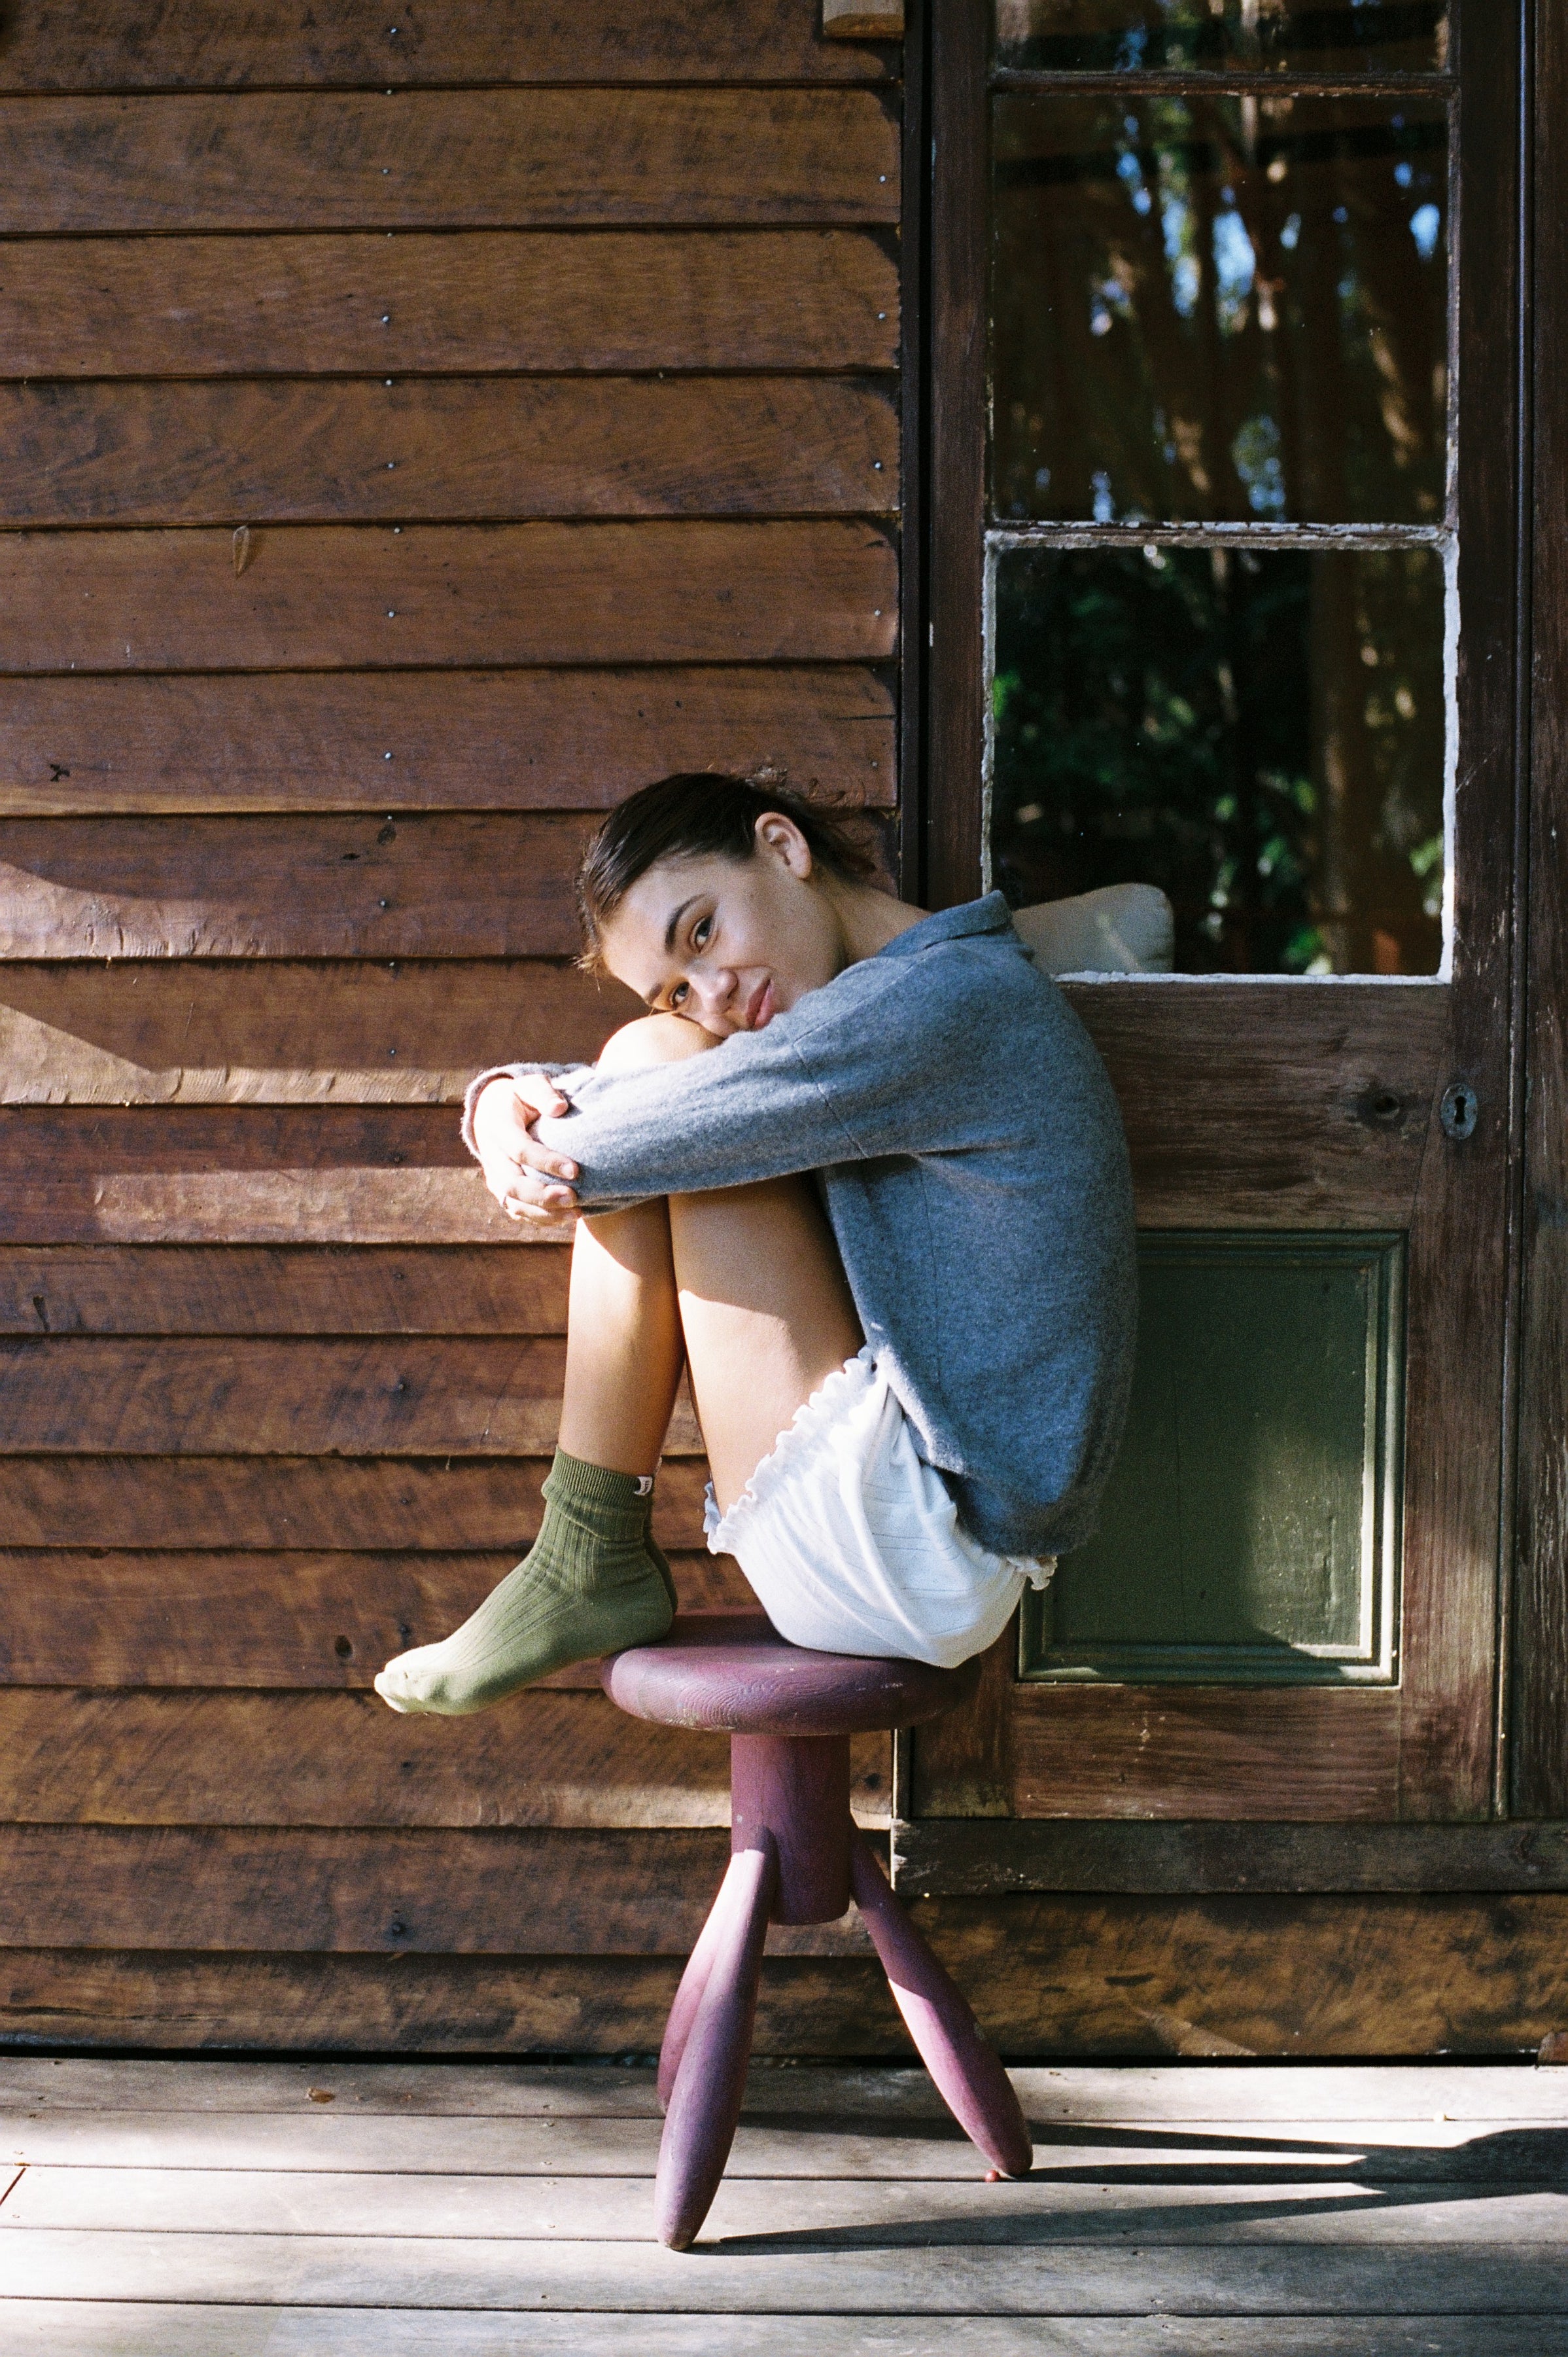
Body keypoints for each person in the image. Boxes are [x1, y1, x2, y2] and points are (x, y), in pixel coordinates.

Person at [374, 773, 1136, 1716]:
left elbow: (606, 1146)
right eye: (679, 989)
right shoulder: (930, 983)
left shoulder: (944, 1003)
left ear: (783, 846)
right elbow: (672, 1122)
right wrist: (506, 1099)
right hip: (934, 1542)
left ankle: (589, 1549)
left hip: (916, 1550)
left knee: (656, 1062)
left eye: (701, 932)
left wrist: (499, 1107)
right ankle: (586, 1552)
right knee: (666, 1068)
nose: (713, 994)